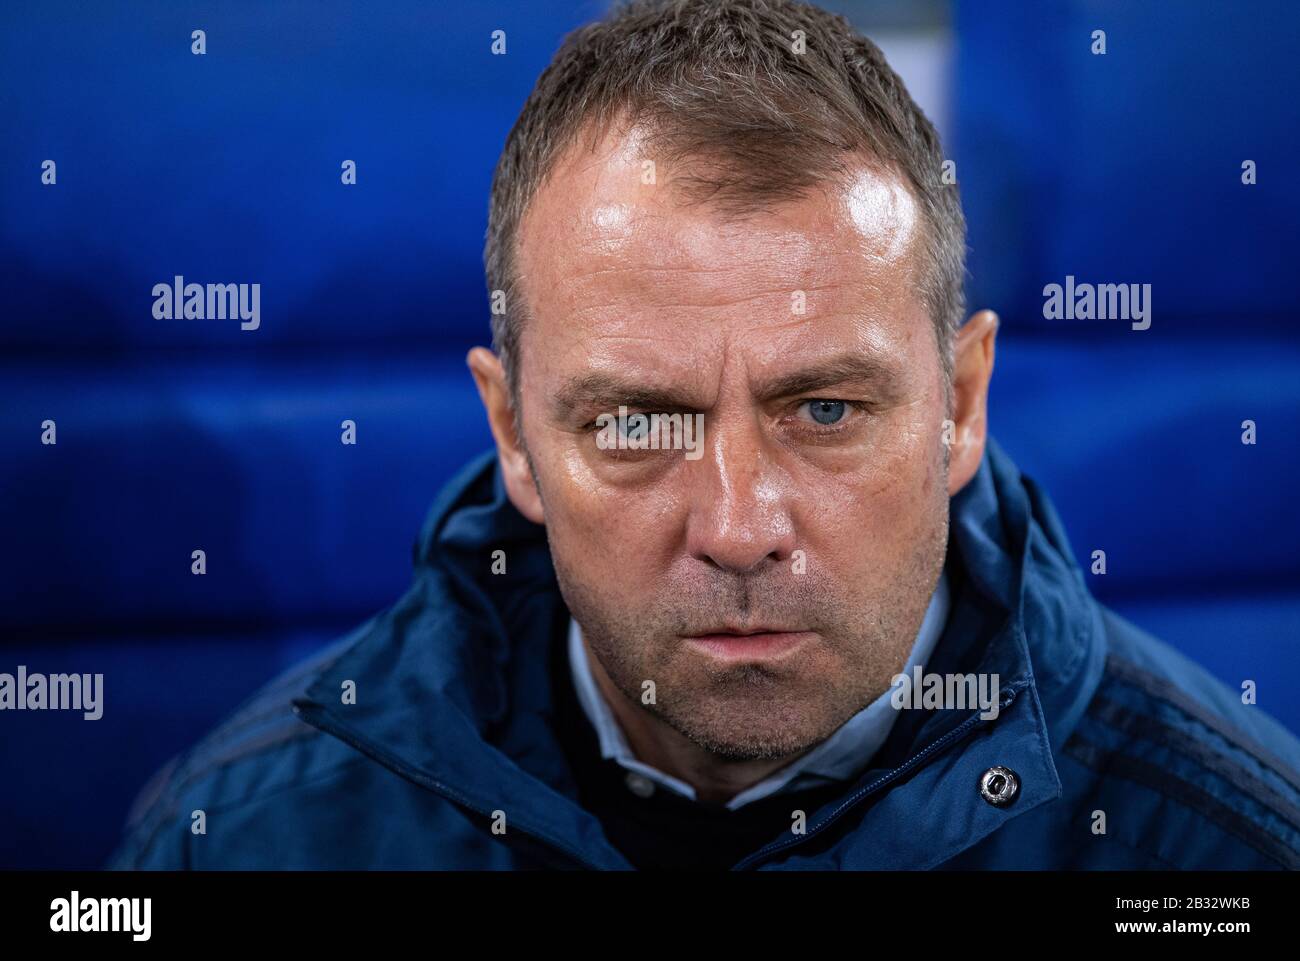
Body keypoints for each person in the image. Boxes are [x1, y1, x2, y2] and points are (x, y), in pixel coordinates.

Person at [108, 0, 1300, 871]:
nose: (738, 529)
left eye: (824, 411)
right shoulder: (245, 836)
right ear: (513, 432)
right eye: (634, 420)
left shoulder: (1226, 848)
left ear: (960, 405)